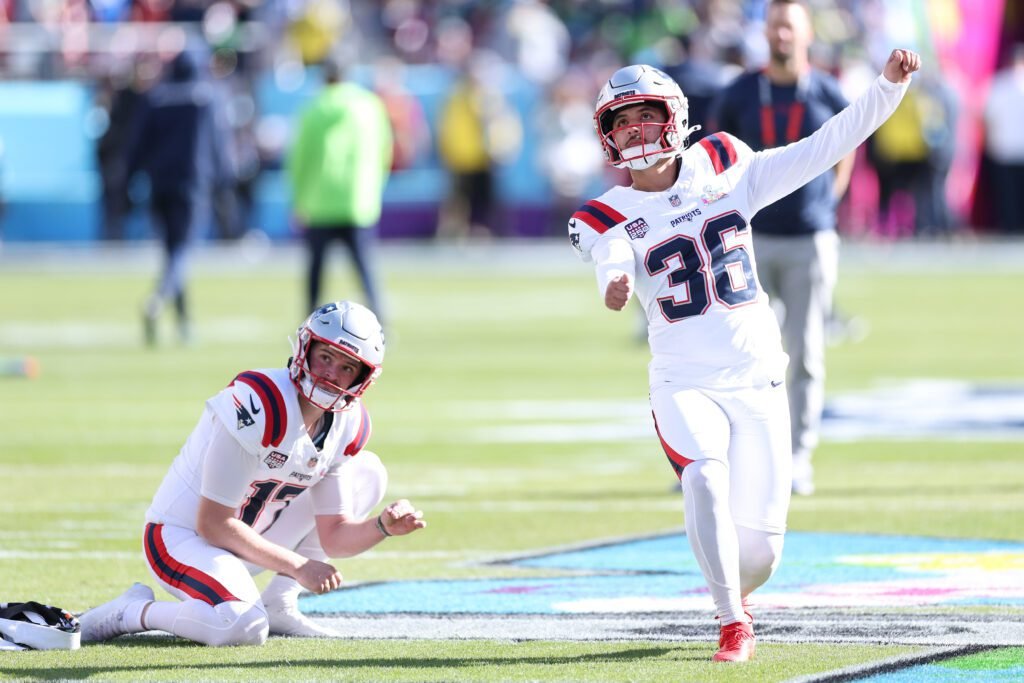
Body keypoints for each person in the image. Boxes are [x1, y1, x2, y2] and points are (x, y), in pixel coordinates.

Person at [568, 51, 919, 662]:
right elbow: (612, 263)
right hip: (682, 381)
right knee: (703, 475)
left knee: (760, 556)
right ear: (607, 136)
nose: (636, 132)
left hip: (756, 377)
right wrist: (614, 287)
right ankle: (732, 622)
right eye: (623, 123)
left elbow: (822, 144)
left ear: (674, 119)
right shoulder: (602, 215)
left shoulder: (725, 164)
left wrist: (886, 90)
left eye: (646, 116)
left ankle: (736, 590)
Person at [78, 301, 427, 645]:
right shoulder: (260, 402)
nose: (332, 373)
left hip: (248, 538)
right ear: (306, 348)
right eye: (326, 357)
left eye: (347, 367)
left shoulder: (348, 423)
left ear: (363, 378)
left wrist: (382, 526)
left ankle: (279, 603)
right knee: (242, 628)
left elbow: (334, 536)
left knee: (368, 472)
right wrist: (299, 565)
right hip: (181, 539)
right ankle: (133, 612)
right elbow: (213, 523)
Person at [708, 0, 855, 495]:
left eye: (789, 26)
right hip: (748, 238)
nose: (781, 35)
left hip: (809, 237)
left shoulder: (827, 89)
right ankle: (728, 457)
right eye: (774, 26)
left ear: (807, 32)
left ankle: (799, 456)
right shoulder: (742, 92)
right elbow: (714, 155)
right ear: (764, 32)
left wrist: (825, 206)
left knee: (806, 350)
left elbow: (846, 150)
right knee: (738, 352)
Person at [125, 46, 236, 346]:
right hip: (194, 184)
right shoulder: (209, 96)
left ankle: (184, 323)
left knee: (172, 253)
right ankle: (158, 298)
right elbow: (219, 141)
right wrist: (226, 181)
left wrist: (130, 179)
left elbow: (136, 144)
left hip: (160, 184)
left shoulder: (156, 96)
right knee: (183, 252)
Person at [287, 54, 393, 321]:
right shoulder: (369, 106)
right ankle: (380, 322)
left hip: (319, 201)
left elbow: (299, 158)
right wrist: (375, 187)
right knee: (365, 268)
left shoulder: (314, 108)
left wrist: (298, 198)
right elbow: (385, 150)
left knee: (315, 270)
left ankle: (308, 324)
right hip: (357, 200)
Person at [983, 43, 1024, 234]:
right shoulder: (998, 85)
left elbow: (987, 116)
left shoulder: (998, 85)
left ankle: (1009, 227)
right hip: (1016, 148)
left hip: (1003, 148)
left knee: (1007, 194)